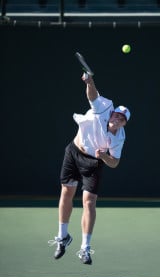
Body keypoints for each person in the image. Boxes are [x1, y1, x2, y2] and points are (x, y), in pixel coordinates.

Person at [49, 73, 131, 265]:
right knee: (66, 192)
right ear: (111, 113)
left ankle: (85, 248)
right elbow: (92, 95)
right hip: (74, 152)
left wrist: (103, 156)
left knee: (89, 202)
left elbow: (114, 163)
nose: (117, 119)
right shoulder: (104, 108)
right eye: (117, 115)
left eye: (122, 119)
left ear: (125, 124)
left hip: (93, 163)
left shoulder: (119, 138)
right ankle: (63, 237)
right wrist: (90, 82)